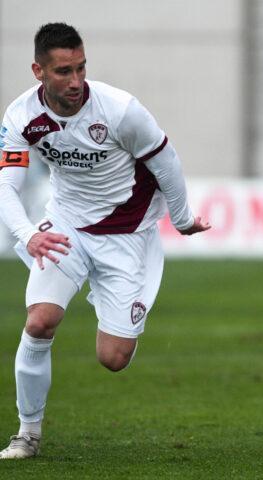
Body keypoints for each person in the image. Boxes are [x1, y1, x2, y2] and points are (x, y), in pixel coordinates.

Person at [0, 23, 210, 459]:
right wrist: (28, 235)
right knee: (39, 323)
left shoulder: (120, 110)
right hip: (65, 227)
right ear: (39, 71)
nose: (76, 81)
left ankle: (120, 309)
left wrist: (182, 218)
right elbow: (6, 185)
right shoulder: (20, 117)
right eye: (64, 71)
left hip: (127, 236)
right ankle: (27, 434)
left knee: (113, 358)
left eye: (81, 68)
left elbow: (167, 163)